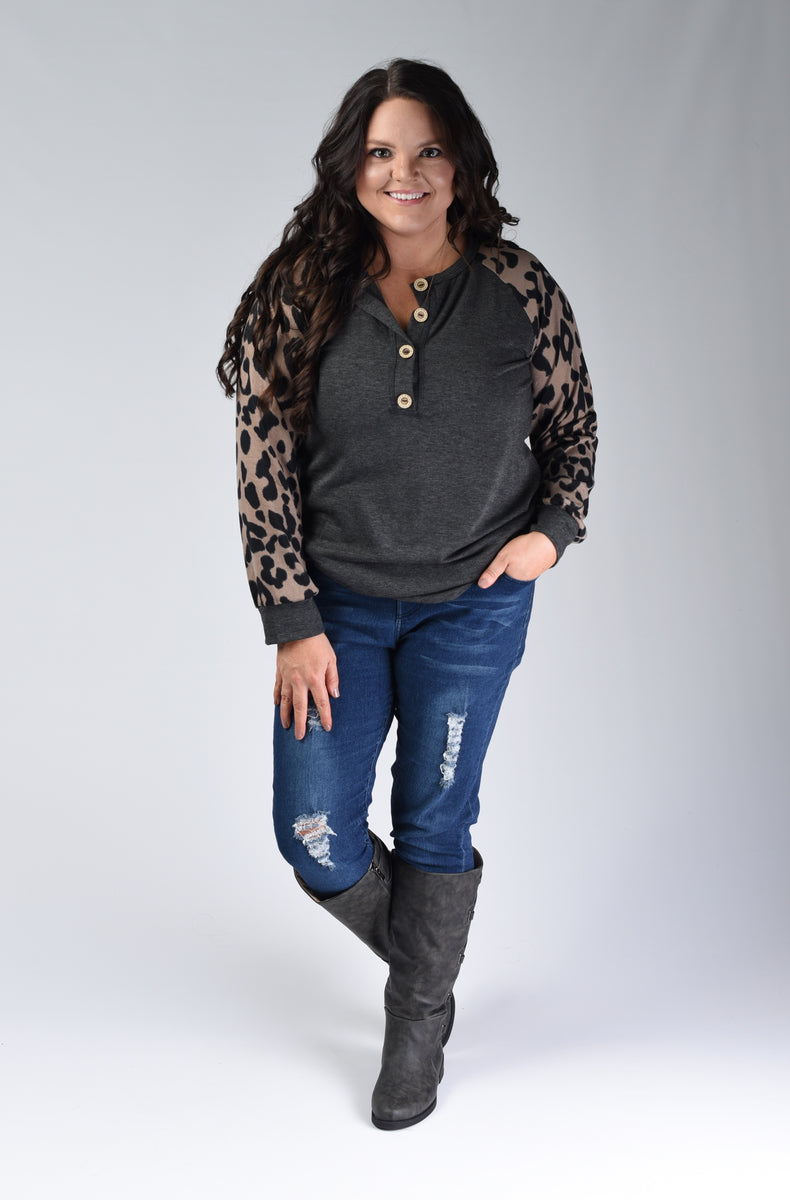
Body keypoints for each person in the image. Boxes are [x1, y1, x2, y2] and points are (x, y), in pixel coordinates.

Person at [217, 59, 597, 1130]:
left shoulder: (520, 289)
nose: (404, 172)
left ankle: (414, 1030)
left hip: (471, 608)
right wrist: (292, 622)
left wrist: (550, 535)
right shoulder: (301, 291)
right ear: (351, 167)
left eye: (427, 149)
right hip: (335, 611)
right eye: (381, 151)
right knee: (313, 830)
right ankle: (428, 973)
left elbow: (572, 429)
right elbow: (261, 466)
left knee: (435, 816)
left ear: (460, 163)